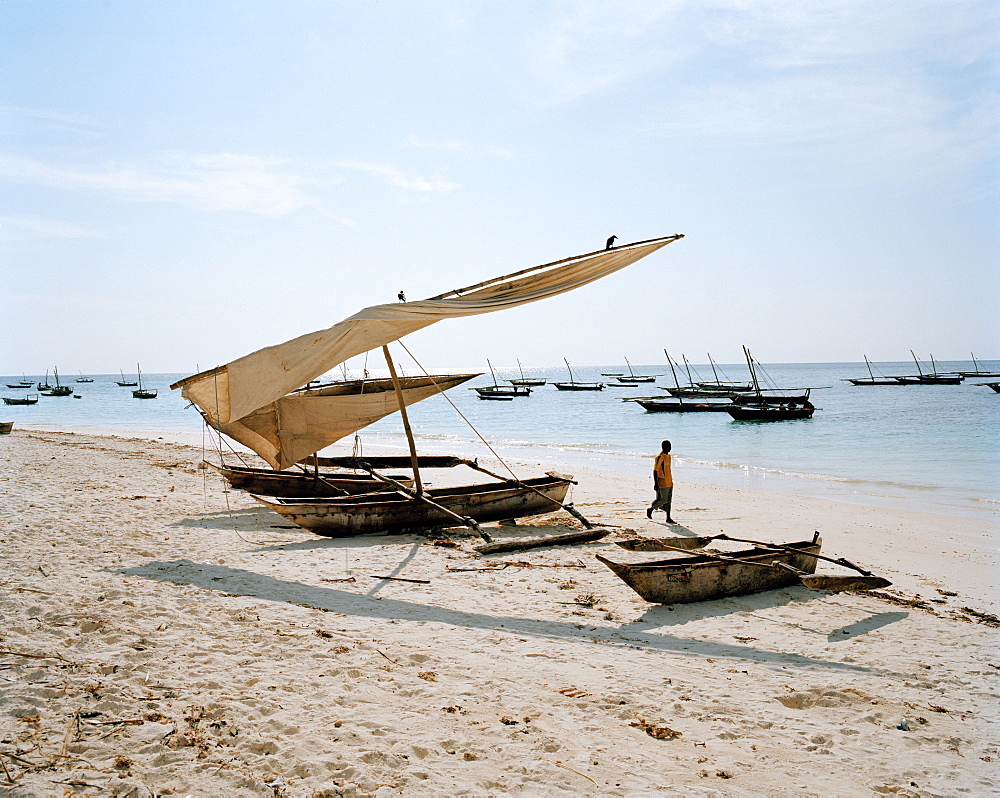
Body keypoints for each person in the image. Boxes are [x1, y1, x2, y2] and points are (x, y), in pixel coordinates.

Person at [646, 439, 675, 523]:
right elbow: (655, 470)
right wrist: (656, 483)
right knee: (663, 499)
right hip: (662, 482)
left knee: (669, 501)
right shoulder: (660, 457)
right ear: (663, 447)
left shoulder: (668, 456)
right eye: (668, 446)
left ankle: (668, 518)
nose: (669, 448)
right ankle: (651, 509)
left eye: (670, 446)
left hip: (669, 481)